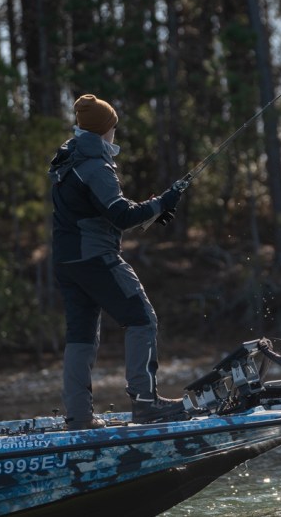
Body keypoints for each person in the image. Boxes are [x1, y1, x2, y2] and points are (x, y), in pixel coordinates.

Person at [48, 94, 184, 430]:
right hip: (95, 258)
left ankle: (79, 418)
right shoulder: (95, 165)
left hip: (68, 262)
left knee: (81, 337)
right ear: (104, 130)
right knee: (142, 319)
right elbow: (120, 214)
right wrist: (162, 202)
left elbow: (101, 210)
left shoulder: (69, 161)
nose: (115, 133)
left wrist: (151, 211)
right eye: (113, 127)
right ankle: (146, 403)